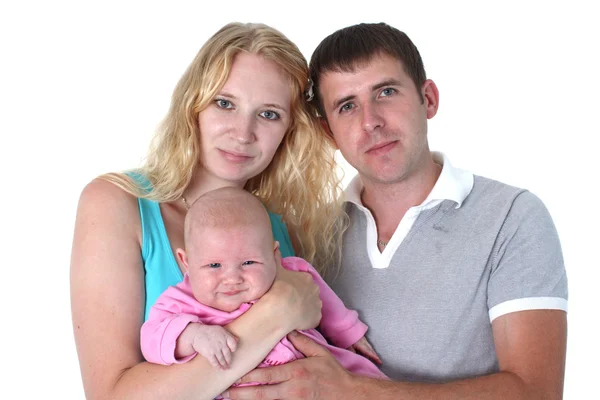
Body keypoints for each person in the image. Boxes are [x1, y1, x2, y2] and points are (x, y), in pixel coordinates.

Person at [223, 22, 568, 400]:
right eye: (347, 105)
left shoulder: (512, 218)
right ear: (328, 132)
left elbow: (537, 391)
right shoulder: (310, 232)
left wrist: (354, 391)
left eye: (386, 92)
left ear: (429, 98)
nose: (370, 121)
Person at [70, 22, 346, 400]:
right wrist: (275, 313)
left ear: (289, 130)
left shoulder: (285, 226)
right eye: (225, 103)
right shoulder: (117, 204)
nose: (242, 133)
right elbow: (109, 396)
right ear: (193, 105)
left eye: (268, 114)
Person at [140, 187, 386, 390]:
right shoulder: (178, 301)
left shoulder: (289, 272)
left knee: (364, 378)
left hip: (314, 372)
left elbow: (320, 293)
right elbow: (151, 339)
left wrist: (347, 331)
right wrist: (194, 336)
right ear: (186, 263)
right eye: (214, 265)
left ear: (274, 254)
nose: (232, 278)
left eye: (248, 262)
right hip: (239, 389)